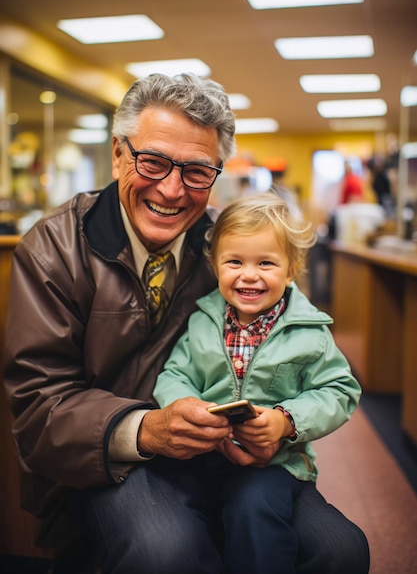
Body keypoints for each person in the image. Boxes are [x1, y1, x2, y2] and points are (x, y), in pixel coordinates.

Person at [4, 73, 370, 574]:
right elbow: (38, 408)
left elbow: (297, 334)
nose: (172, 190)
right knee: (167, 552)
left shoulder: (234, 244)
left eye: (197, 171)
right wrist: (147, 428)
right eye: (152, 161)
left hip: (230, 457)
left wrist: (282, 423)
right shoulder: (53, 251)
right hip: (110, 462)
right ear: (117, 154)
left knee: (341, 550)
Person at [153, 193, 363, 574]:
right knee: (174, 526)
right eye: (234, 262)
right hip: (204, 455)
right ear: (215, 265)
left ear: (291, 268)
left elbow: (339, 390)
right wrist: (186, 405)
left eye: (265, 263)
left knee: (255, 511)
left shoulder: (310, 333)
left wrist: (285, 420)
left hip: (272, 465)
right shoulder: (204, 319)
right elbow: (175, 373)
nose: (249, 275)